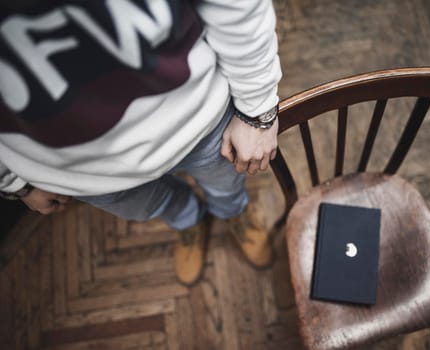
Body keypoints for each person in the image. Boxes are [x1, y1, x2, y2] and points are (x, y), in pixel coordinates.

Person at [0, 0, 282, 285]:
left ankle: (234, 215)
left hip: (200, 119)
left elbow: (236, 6)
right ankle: (189, 222)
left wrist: (257, 111)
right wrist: (12, 181)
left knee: (227, 185)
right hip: (78, 173)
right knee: (158, 207)